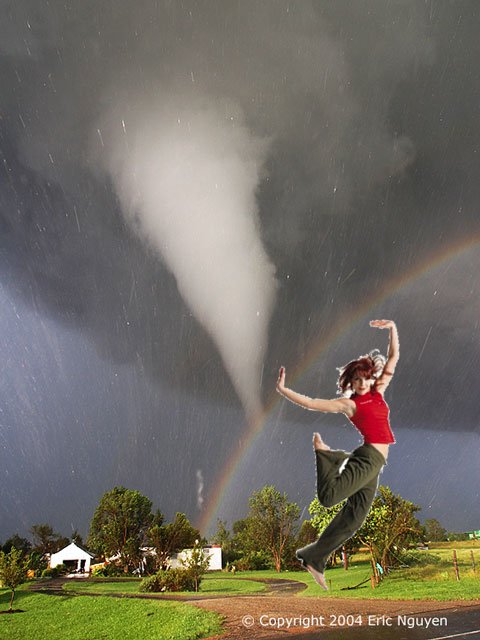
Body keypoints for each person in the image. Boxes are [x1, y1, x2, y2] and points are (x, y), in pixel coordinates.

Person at [276, 319, 399, 590]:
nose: (362, 383)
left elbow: (393, 358)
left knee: (354, 519)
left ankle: (313, 557)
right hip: (368, 458)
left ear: (370, 377)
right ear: (351, 382)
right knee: (329, 497)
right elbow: (312, 403)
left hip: (375, 463)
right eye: (357, 379)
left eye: (365, 378)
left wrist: (392, 328)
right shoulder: (349, 405)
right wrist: (284, 391)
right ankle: (326, 456)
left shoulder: (378, 391)